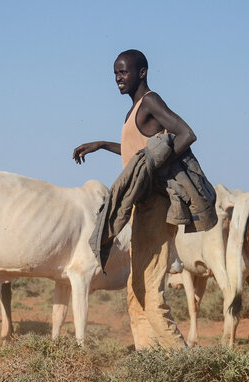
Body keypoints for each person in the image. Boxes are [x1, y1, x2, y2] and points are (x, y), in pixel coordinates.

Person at [73, 49, 205, 350]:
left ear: (142, 72)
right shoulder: (133, 111)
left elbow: (186, 134)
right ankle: (150, 362)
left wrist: (158, 163)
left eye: (124, 72)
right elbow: (137, 154)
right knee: (136, 291)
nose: (119, 78)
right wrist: (102, 145)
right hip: (142, 207)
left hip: (157, 206)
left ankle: (184, 363)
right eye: (115, 73)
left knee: (151, 293)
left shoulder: (150, 101)